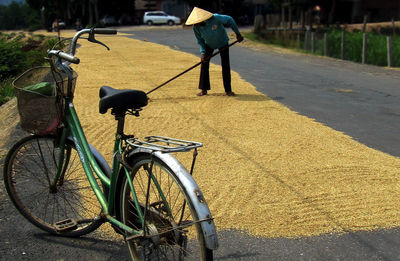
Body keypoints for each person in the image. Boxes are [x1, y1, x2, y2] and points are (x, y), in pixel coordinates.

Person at [185, 7, 243, 96]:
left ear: (202, 19)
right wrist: (203, 53)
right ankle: (204, 89)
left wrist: (237, 34)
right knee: (204, 64)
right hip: (208, 44)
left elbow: (230, 20)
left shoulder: (215, 18)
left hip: (222, 42)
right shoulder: (196, 27)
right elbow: (200, 41)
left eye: (197, 22)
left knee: (225, 65)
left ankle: (228, 90)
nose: (196, 24)